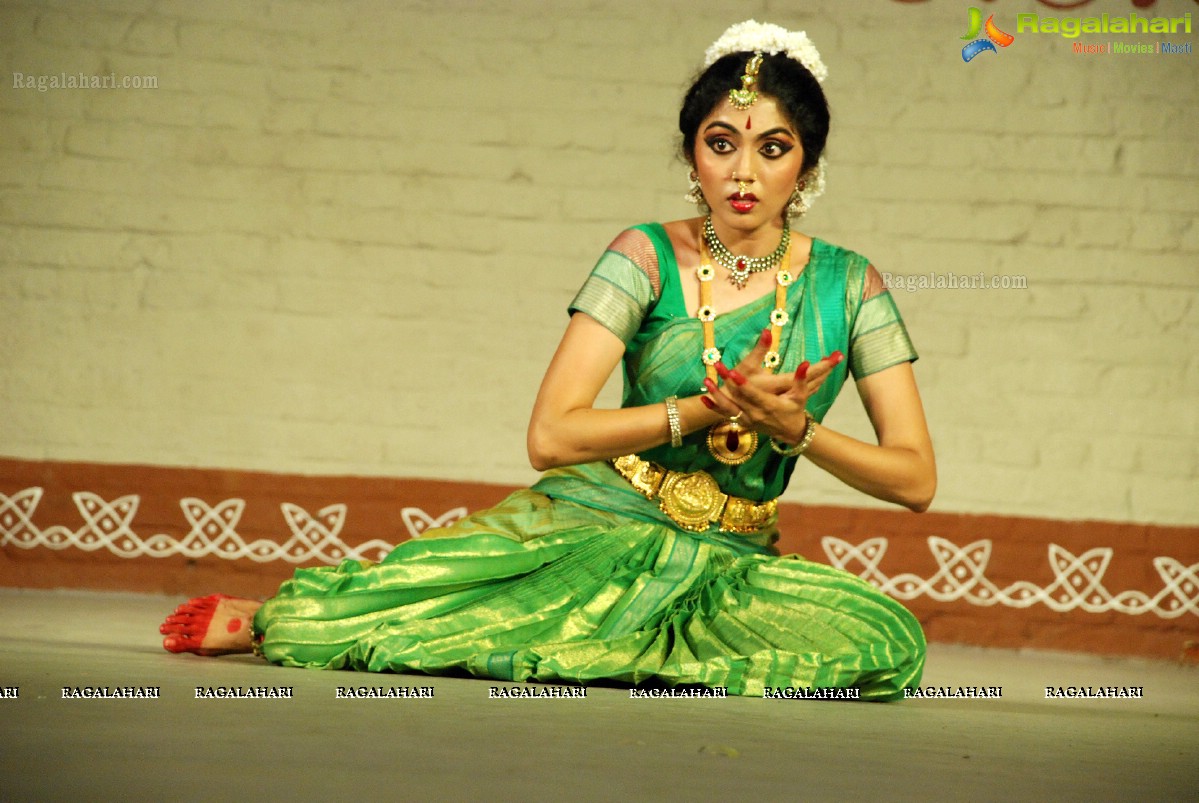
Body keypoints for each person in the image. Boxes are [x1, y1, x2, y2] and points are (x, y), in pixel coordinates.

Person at [160, 20, 935, 701]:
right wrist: (702, 411)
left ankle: (597, 650)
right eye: (720, 144)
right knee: (322, 618)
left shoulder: (849, 284)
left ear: (805, 164)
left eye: (773, 149)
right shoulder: (644, 255)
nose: (742, 174)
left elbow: (914, 480)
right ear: (691, 152)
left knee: (884, 644)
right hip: (590, 524)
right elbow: (551, 437)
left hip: (727, 563)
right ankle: (606, 650)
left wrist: (796, 429)